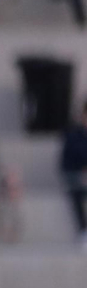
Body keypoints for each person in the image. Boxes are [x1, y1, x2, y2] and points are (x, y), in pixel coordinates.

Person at [58, 99, 87, 249]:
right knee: (77, 192)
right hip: (76, 176)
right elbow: (68, 159)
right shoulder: (73, 134)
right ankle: (83, 230)